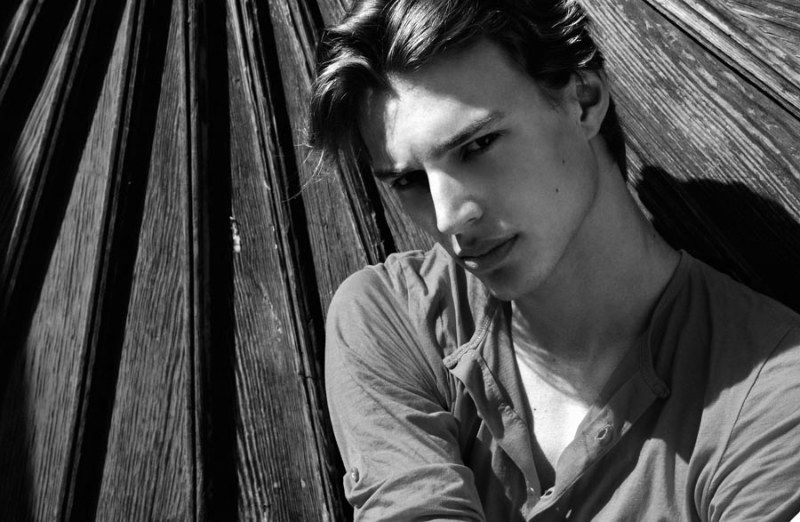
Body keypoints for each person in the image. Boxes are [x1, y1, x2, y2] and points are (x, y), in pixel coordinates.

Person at [308, 0, 800, 520]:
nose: (448, 217)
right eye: (409, 180)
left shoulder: (772, 395)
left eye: (478, 145)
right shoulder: (394, 316)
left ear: (583, 100)